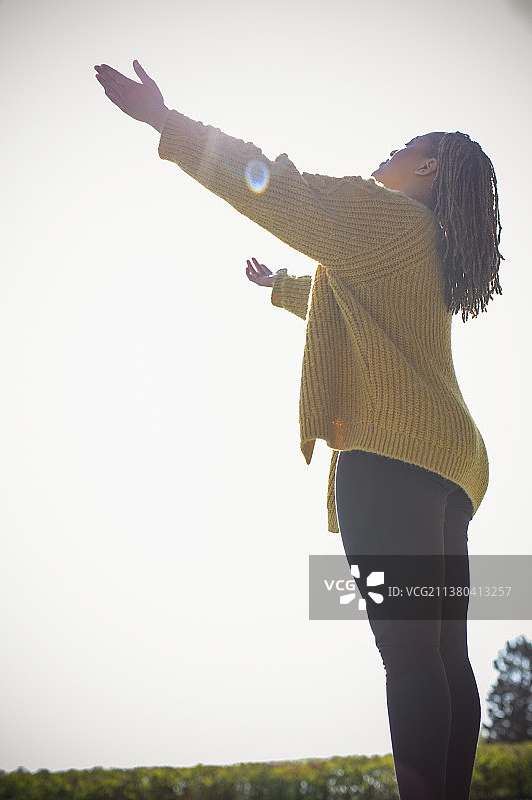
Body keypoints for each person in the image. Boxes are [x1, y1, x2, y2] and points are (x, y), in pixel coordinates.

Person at [94, 60, 504, 800]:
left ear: (428, 164)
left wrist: (165, 121)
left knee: (407, 656)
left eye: (400, 146)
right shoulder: (428, 245)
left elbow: (275, 186)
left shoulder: (385, 217)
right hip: (450, 462)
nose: (384, 155)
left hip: (391, 454)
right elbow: (358, 308)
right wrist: (283, 287)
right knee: (444, 654)